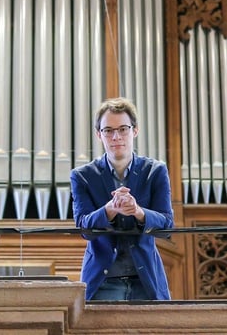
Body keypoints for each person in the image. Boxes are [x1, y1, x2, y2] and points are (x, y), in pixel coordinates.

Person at [70, 98, 174, 301]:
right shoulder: (82, 175)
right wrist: (109, 210)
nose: (116, 136)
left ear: (135, 131)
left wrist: (138, 212)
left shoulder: (155, 171)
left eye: (123, 129)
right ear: (99, 134)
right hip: (102, 282)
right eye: (108, 130)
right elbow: (83, 227)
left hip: (146, 280)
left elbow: (167, 225)